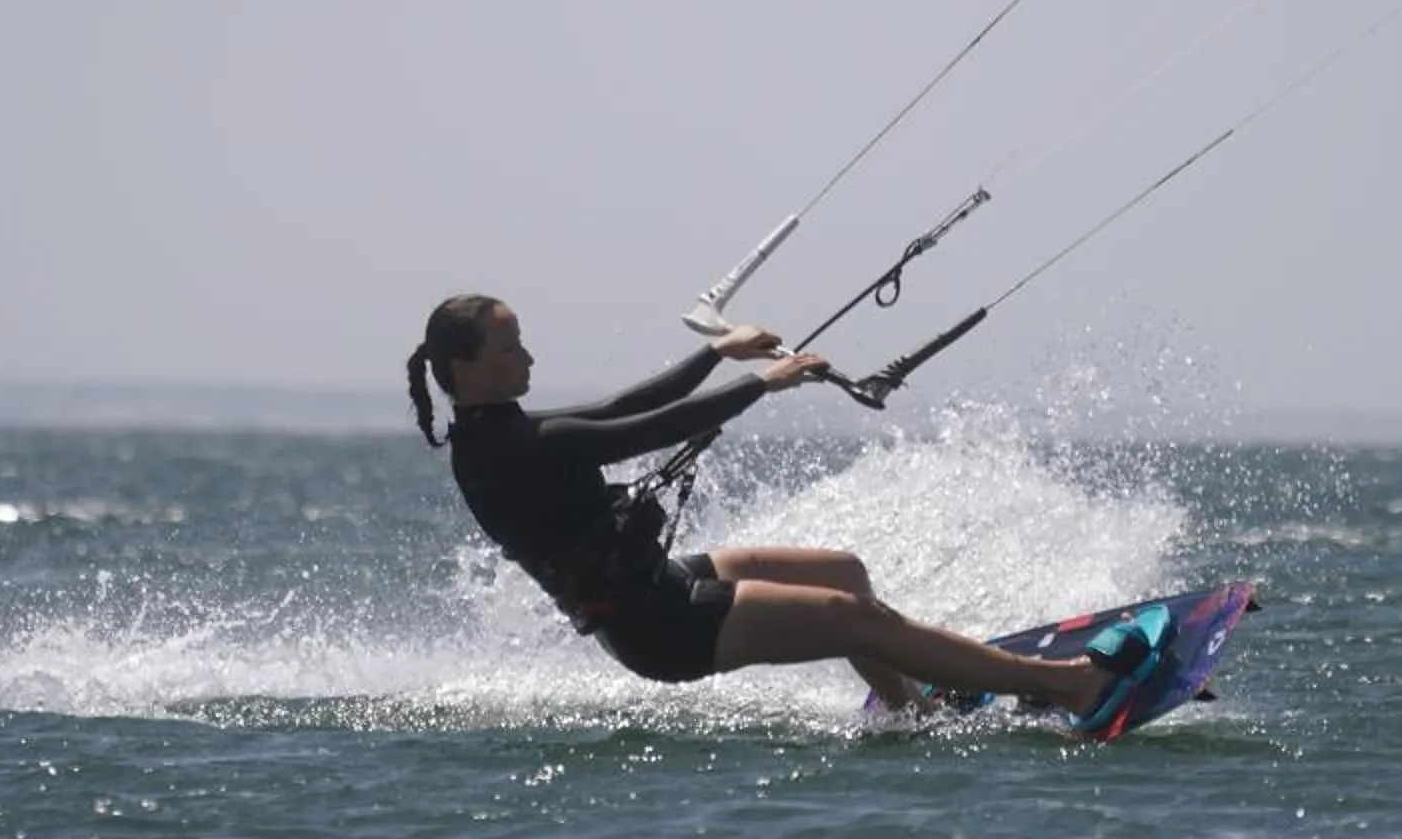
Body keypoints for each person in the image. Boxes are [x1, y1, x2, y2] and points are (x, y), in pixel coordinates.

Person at [405, 293, 1152, 721]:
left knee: (844, 572)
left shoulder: (500, 431)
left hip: (655, 582)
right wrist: (767, 382)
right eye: (512, 349)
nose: (528, 359)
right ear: (464, 368)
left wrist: (719, 353)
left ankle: (907, 712)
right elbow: (645, 428)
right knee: (862, 621)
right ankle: (1066, 684)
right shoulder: (508, 449)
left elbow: (624, 404)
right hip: (660, 625)